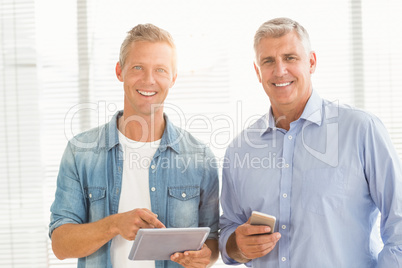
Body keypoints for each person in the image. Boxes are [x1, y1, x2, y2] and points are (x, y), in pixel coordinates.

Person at [219, 17, 402, 267]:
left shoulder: (360, 130)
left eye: (290, 58)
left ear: (311, 62)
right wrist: (238, 246)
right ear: (257, 72)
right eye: (268, 61)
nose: (280, 70)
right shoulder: (240, 149)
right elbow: (229, 229)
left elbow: (399, 223)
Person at [49, 23, 219, 268]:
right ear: (120, 71)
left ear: (173, 78)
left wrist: (206, 256)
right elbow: (60, 245)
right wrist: (114, 224)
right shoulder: (80, 152)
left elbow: (212, 241)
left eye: (160, 70)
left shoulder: (200, 157)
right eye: (138, 67)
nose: (149, 80)